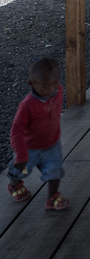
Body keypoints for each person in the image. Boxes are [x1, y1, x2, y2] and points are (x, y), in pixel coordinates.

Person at [7, 57, 70, 211]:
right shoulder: (27, 105)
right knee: (20, 171)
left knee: (55, 171)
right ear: (32, 84)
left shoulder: (58, 91)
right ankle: (15, 184)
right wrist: (21, 154)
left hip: (52, 145)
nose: (51, 89)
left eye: (55, 83)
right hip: (29, 149)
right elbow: (16, 130)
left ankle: (52, 197)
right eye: (45, 86)